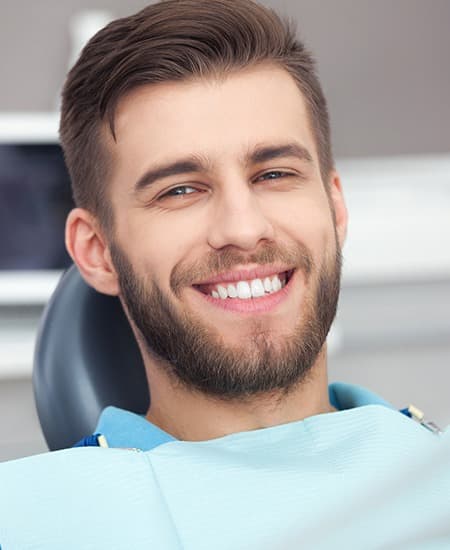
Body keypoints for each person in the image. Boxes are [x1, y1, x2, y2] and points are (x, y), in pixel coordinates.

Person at [1, 1, 449, 548]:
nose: (242, 228)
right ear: (96, 252)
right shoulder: (23, 519)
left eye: (275, 173)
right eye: (180, 189)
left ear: (335, 209)